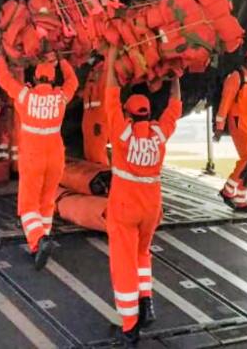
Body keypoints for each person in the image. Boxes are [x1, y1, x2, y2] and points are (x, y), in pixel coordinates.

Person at [104, 47, 182, 346]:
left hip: (125, 207)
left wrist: (111, 59)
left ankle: (129, 324)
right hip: (151, 207)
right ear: (148, 113)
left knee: (123, 263)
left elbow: (110, 95)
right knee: (142, 254)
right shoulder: (159, 135)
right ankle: (146, 301)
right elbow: (174, 108)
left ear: (128, 113)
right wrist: (175, 77)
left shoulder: (122, 135)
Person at [0, 53, 78, 269]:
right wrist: (62, 61)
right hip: (55, 157)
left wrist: (2, 57)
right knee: (47, 201)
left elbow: (4, 79)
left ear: (35, 77)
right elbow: (73, 82)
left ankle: (38, 240)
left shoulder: (26, 96)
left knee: (28, 204)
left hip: (33, 157)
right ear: (53, 79)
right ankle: (43, 240)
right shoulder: (60, 97)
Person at [214, 47, 247, 213]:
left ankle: (241, 200)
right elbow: (225, 102)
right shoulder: (236, 77)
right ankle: (228, 190)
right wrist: (219, 127)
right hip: (239, 123)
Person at [82, 53, 109, 165]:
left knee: (97, 151)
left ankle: (103, 175)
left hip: (98, 117)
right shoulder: (95, 69)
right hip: (90, 115)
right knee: (90, 150)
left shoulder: (105, 70)